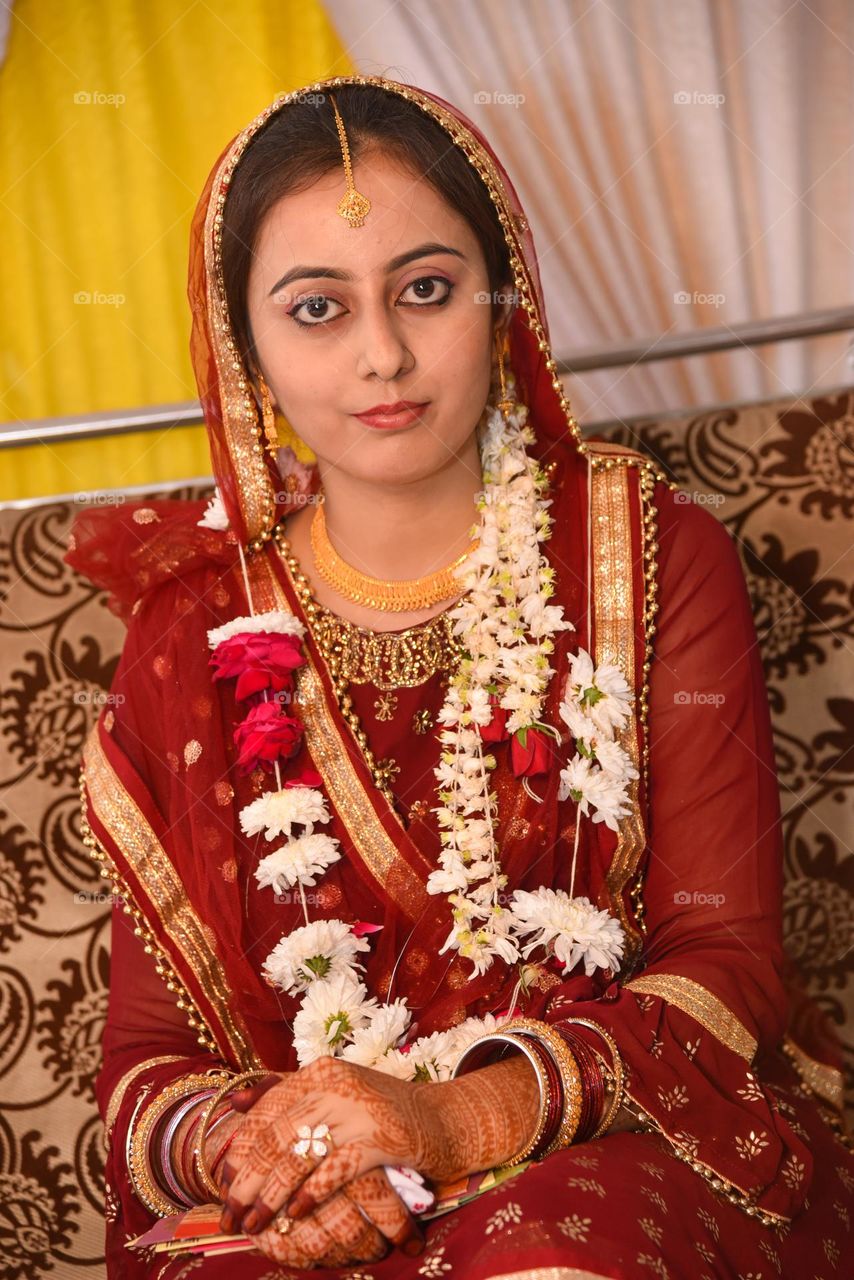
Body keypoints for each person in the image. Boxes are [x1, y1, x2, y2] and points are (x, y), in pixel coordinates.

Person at [66, 75, 853, 1278]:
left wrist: (451, 1119)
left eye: (424, 290)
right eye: (316, 308)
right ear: (246, 351)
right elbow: (146, 1058)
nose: (382, 353)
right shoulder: (191, 630)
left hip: (601, 1141)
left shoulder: (645, 557)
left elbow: (726, 963)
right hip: (307, 1191)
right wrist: (285, 1156)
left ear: (500, 302)